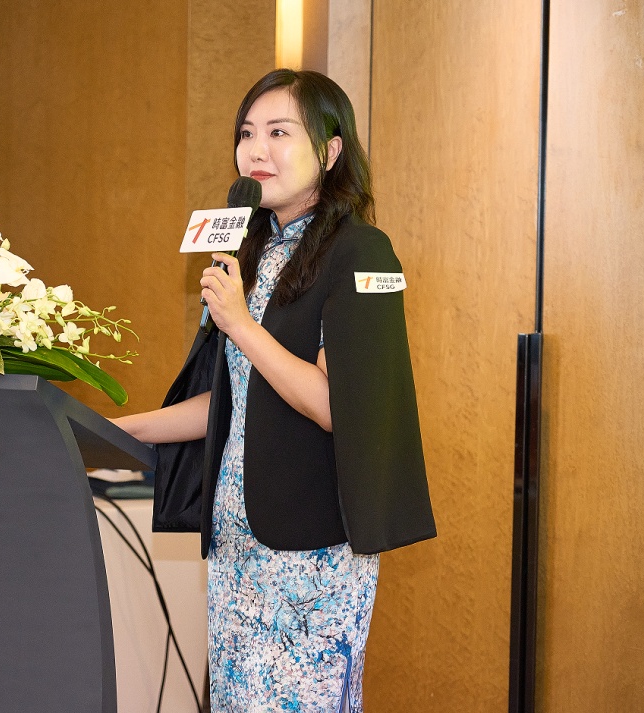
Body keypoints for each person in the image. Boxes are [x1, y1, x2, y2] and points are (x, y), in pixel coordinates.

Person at [113, 69, 435, 712]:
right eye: (246, 134)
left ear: (331, 150)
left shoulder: (363, 253)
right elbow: (235, 398)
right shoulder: (252, 254)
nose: (256, 150)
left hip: (311, 556)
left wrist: (240, 323)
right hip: (237, 545)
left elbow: (333, 405)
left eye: (280, 133)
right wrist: (121, 430)